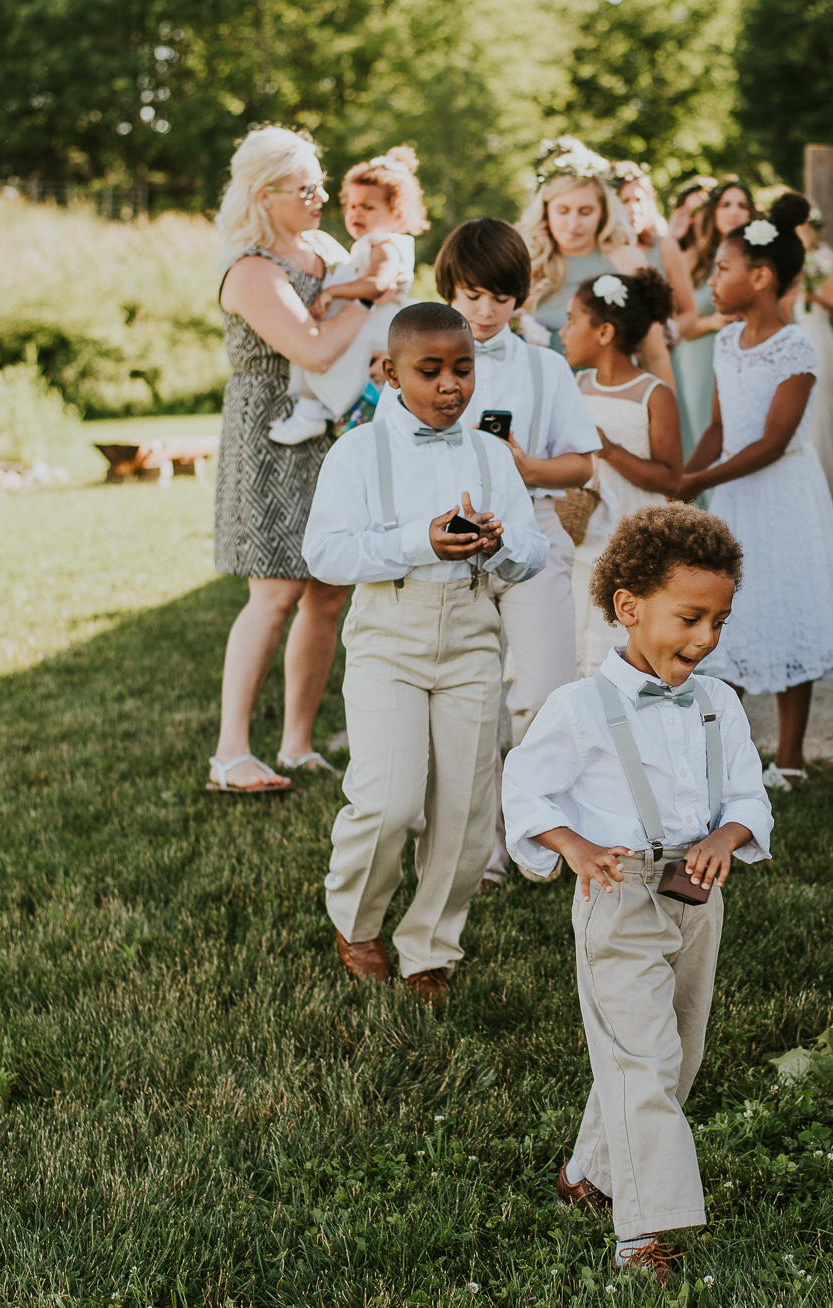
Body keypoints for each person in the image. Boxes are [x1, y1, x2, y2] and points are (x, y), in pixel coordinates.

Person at [501, 503, 772, 1285]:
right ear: (629, 608)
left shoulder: (720, 703)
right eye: (691, 617)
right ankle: (644, 1234)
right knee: (640, 1059)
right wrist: (573, 847)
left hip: (696, 897)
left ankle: (589, 1171)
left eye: (719, 620)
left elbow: (750, 796)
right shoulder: (580, 708)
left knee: (676, 1053)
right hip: (618, 897)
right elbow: (526, 791)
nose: (708, 637)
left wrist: (729, 836)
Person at [303, 303, 549, 999]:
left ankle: (430, 945)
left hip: (471, 634)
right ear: (391, 372)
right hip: (389, 635)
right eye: (431, 371)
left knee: (466, 812)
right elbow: (325, 554)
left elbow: (533, 553)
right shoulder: (357, 452)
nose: (450, 386)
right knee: (387, 801)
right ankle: (357, 920)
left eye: (462, 370)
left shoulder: (490, 454)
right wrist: (420, 540)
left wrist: (502, 544)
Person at [376, 218, 601, 891]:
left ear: (519, 298)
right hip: (448, 546)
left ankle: (532, 828)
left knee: (542, 694)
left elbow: (583, 464)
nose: (483, 311)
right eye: (471, 295)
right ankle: (480, 850)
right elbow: (387, 459)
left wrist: (527, 467)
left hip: (530, 536)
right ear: (448, 288)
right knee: (468, 707)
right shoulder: (409, 367)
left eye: (500, 297)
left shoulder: (544, 367)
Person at [681, 193, 833, 791]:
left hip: (782, 492)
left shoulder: (796, 349)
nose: (713, 279)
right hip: (735, 496)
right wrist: (681, 482)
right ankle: (725, 755)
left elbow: (770, 441)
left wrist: (698, 483)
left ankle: (789, 757)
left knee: (788, 605)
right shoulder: (724, 341)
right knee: (727, 613)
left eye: (723, 269)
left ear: (760, 277)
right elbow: (718, 428)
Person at [208, 126, 372, 793]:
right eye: (305, 188)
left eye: (319, 183)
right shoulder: (249, 269)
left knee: (328, 590)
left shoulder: (323, 248)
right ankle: (230, 755)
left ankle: (297, 743)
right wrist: (369, 297)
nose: (320, 196)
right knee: (275, 590)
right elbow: (312, 349)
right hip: (268, 433)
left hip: (332, 431)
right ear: (265, 193)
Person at [558, 267, 685, 674]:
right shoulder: (577, 386)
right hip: (583, 538)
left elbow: (670, 478)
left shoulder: (654, 394)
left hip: (633, 540)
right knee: (580, 642)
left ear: (605, 333)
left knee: (623, 646)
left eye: (572, 320)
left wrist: (610, 450)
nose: (563, 331)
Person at [267, 146, 426, 449]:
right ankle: (313, 411)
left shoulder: (386, 245)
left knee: (331, 360)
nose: (356, 213)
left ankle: (315, 413)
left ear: (398, 214)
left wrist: (332, 291)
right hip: (368, 326)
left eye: (368, 207)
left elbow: (377, 285)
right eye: (352, 205)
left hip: (375, 329)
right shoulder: (367, 245)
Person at [518, 137, 676, 389]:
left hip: (609, 401)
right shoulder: (526, 260)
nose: (573, 223)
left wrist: (667, 419)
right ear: (546, 210)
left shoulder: (627, 261)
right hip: (540, 397)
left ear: (603, 211)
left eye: (585, 211)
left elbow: (654, 354)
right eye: (563, 210)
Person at [672, 180, 755, 454]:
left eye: (742, 206)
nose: (734, 212)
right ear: (713, 212)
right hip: (699, 357)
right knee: (700, 432)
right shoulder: (691, 259)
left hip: (748, 356)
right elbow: (670, 322)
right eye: (726, 205)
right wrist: (711, 323)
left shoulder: (760, 260)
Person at [786, 206, 833, 498]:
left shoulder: (825, 259)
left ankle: (823, 491)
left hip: (819, 337)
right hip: (795, 337)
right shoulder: (790, 257)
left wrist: (811, 295)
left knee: (820, 411)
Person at [611, 162, 699, 341]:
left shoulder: (665, 246)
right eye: (624, 201)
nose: (634, 209)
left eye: (639, 200)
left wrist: (663, 338)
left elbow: (689, 312)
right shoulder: (602, 251)